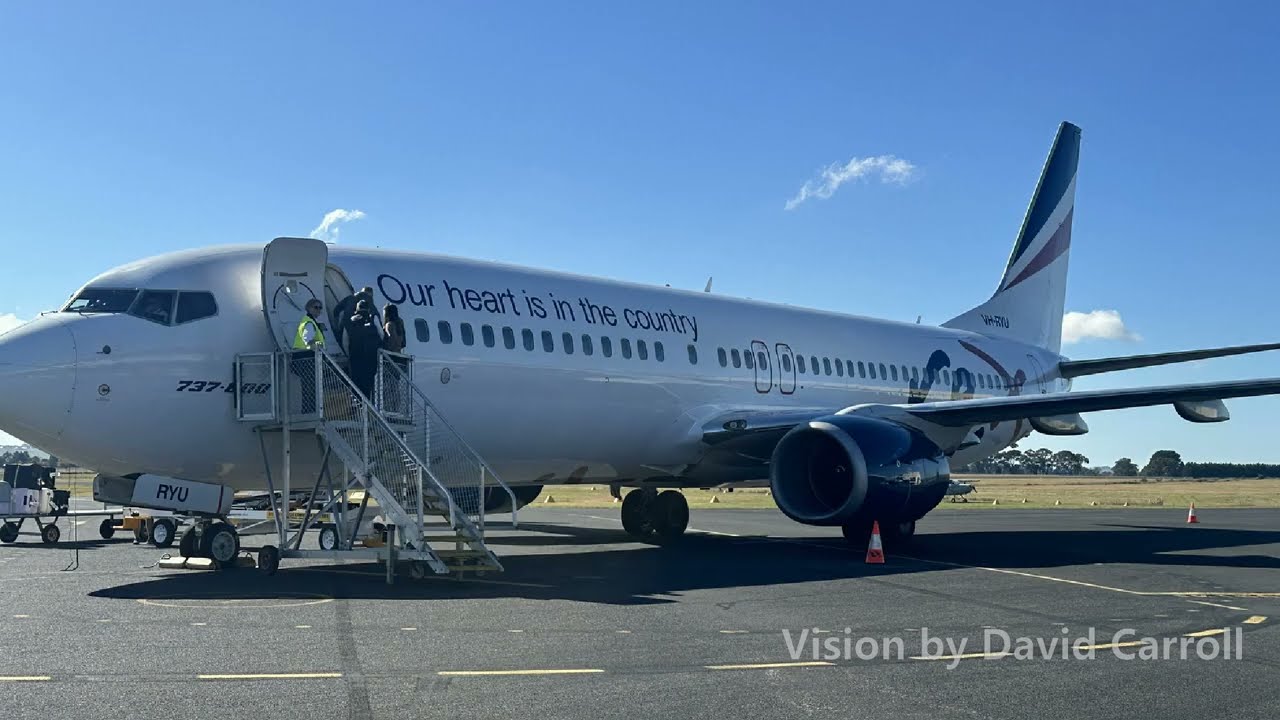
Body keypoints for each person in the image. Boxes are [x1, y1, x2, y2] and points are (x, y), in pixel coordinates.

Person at [291, 299, 327, 414]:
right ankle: (309, 412)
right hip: (305, 359)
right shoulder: (308, 323)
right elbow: (308, 340)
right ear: (309, 308)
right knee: (309, 388)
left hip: (305, 359)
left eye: (320, 308)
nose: (318, 310)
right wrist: (319, 346)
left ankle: (311, 411)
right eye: (316, 307)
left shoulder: (311, 322)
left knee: (311, 387)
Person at [342, 299, 381, 401]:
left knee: (355, 384)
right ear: (368, 309)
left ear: (356, 309)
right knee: (369, 384)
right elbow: (381, 335)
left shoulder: (349, 322)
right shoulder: (373, 319)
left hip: (355, 357)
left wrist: (349, 354)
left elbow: (345, 341)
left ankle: (357, 405)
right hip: (370, 358)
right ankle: (368, 405)